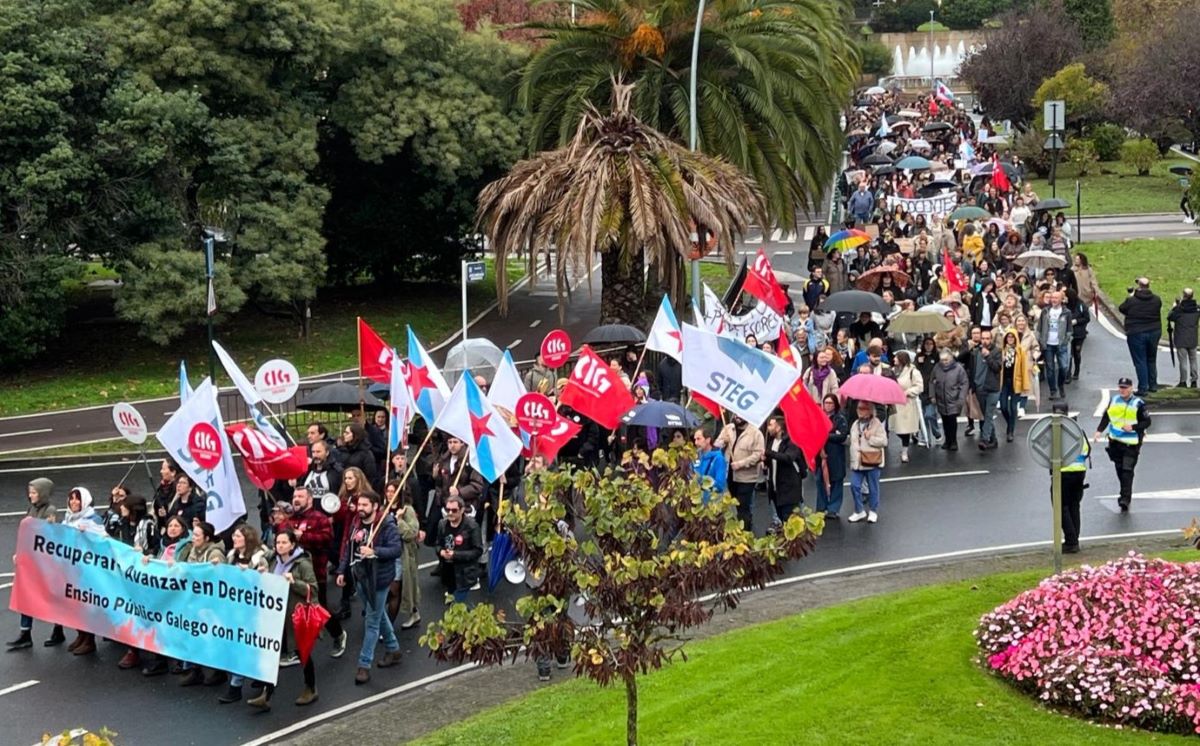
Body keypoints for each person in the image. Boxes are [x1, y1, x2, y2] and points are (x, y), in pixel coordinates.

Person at [247, 528, 320, 710]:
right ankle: (267, 694)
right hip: (276, 614)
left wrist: (294, 582)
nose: (280, 546)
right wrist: (259, 572)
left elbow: (313, 589)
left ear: (292, 544)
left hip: (295, 615)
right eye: (278, 542)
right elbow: (258, 570)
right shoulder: (272, 559)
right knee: (271, 651)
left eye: (284, 543)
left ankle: (310, 688)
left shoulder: (302, 564)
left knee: (302, 652)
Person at [336, 491, 404, 685]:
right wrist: (342, 570)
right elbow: (349, 548)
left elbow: (396, 549)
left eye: (365, 505)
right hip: (360, 576)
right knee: (378, 614)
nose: (361, 508)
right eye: (360, 505)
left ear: (375, 506)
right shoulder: (356, 522)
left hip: (378, 581)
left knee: (372, 621)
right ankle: (393, 649)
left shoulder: (386, 525)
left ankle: (364, 665)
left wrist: (375, 551)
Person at [281, 485, 347, 660]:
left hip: (315, 574)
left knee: (319, 608)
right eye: (294, 497)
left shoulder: (319, 518)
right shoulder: (289, 521)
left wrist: (303, 537)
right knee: (293, 611)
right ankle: (295, 650)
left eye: (300, 497)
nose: (296, 500)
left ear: (310, 499)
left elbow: (327, 539)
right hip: (292, 575)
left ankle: (338, 634)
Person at [8, 479, 60, 651]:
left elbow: (47, 536)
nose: (30, 495)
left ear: (43, 493)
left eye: (34, 492)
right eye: (30, 492)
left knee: (50, 596)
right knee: (26, 595)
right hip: (30, 560)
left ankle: (58, 628)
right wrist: (20, 552)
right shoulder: (31, 509)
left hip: (45, 563)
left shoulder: (50, 511)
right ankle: (25, 633)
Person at [178, 521, 228, 688]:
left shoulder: (215, 554)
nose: (193, 538)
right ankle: (195, 669)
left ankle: (219, 671)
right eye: (193, 534)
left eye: (197, 535)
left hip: (211, 603)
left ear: (207, 538)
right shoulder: (194, 550)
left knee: (213, 637)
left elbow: (220, 578)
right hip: (196, 599)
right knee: (194, 634)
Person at [57, 487, 104, 654]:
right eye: (71, 498)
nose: (74, 502)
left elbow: (102, 540)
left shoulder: (93, 519)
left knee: (86, 605)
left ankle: (89, 640)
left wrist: (87, 534)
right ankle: (81, 634)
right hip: (71, 569)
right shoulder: (68, 519)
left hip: (86, 571)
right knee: (74, 605)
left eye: (77, 498)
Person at [1094, 377, 1151, 513]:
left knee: (1127, 470)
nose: (1122, 390)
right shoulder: (1114, 400)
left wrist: (1133, 427)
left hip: (1131, 444)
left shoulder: (1138, 404)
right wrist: (1099, 431)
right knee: (1120, 469)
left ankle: (1125, 498)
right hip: (1115, 441)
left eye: (1125, 388)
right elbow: (1107, 416)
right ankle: (1124, 492)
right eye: (1120, 387)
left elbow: (1147, 422)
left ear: (1131, 388)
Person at [382, 476, 423, 630]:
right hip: (385, 554)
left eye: (393, 491)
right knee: (388, 588)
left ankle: (388, 628)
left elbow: (412, 533)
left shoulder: (407, 510)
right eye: (388, 491)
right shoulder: (383, 509)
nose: (390, 494)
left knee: (395, 589)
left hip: (400, 555)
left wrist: (399, 520)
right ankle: (414, 613)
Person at [1050, 401, 1089, 554]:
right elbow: (1086, 450)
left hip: (1063, 472)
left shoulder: (1056, 430)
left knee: (1060, 507)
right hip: (1080, 472)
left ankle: (1071, 542)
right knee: (1074, 506)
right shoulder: (1077, 429)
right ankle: (1074, 540)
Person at [717, 415, 764, 532]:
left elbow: (758, 455)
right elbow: (716, 444)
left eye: (740, 416)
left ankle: (745, 533)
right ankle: (735, 530)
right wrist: (723, 441)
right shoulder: (728, 428)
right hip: (730, 476)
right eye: (735, 415)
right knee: (733, 506)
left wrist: (741, 464)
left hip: (746, 478)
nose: (737, 417)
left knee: (743, 507)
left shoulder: (756, 433)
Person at [434, 494, 484, 604]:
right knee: (454, 604)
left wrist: (455, 555)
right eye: (447, 509)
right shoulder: (442, 524)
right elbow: (438, 544)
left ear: (461, 510)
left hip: (464, 574)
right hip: (448, 573)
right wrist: (441, 552)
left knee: (457, 605)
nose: (450, 513)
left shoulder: (472, 526)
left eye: (454, 510)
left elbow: (478, 551)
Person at [1119, 278, 1163, 395]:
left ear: (1139, 286)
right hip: (1154, 331)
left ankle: (1143, 387)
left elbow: (1122, 308)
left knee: (1140, 360)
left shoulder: (1132, 301)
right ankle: (1153, 385)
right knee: (1151, 359)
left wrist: (1131, 296)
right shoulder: (1157, 299)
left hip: (1136, 332)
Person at [763, 416, 806, 530]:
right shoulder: (771, 442)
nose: (768, 428)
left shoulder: (792, 441)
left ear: (778, 427)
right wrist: (765, 461)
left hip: (789, 488)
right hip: (776, 489)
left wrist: (769, 453)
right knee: (782, 519)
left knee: (790, 521)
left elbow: (788, 458)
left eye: (771, 425)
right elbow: (771, 460)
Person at [848, 400, 887, 523]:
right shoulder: (855, 424)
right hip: (858, 462)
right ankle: (859, 510)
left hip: (872, 461)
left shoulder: (876, 423)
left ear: (870, 411)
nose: (860, 411)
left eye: (863, 408)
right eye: (859, 408)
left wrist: (870, 437)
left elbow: (884, 441)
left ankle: (873, 511)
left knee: (873, 488)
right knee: (854, 485)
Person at [814, 394, 849, 519]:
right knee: (820, 480)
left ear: (835, 405)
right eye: (826, 403)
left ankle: (833, 509)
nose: (828, 405)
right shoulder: (819, 417)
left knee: (836, 480)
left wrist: (826, 435)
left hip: (835, 455)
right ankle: (821, 507)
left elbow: (842, 436)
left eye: (830, 403)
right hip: (820, 454)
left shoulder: (840, 419)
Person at [968, 329, 1002, 450]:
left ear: (991, 339)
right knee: (986, 415)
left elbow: (997, 368)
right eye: (983, 338)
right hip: (980, 388)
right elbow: (971, 368)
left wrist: (988, 356)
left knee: (988, 414)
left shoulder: (996, 351)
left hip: (992, 388)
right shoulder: (975, 351)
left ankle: (985, 439)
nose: (985, 341)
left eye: (987, 338)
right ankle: (993, 439)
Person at [1036, 290, 1073, 399]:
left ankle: (1060, 385)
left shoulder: (1067, 312)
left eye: (1056, 298)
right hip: (1048, 344)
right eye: (1052, 298)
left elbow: (1069, 328)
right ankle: (1053, 390)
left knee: (1064, 367)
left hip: (1061, 344)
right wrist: (1039, 340)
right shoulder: (1045, 311)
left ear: (1061, 299)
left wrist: (1066, 339)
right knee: (1050, 369)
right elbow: (1039, 327)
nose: (1054, 300)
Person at [889, 351, 924, 463]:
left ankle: (904, 451)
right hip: (894, 404)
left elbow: (919, 387)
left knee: (904, 430)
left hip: (906, 405)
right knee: (896, 429)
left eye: (896, 357)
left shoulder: (913, 372)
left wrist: (907, 392)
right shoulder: (892, 371)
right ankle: (909, 439)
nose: (894, 359)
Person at [997, 330, 1032, 443]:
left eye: (1012, 337)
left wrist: (1025, 385)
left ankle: (1010, 431)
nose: (1010, 339)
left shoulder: (1020, 351)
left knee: (1013, 407)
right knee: (1003, 407)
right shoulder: (1001, 351)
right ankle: (1010, 424)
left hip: (1016, 382)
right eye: (1008, 337)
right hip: (1004, 382)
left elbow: (1024, 369)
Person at [931, 351, 969, 451]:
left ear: (951, 358)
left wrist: (961, 398)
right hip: (941, 399)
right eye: (942, 360)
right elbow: (931, 381)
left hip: (954, 399)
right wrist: (932, 395)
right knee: (945, 421)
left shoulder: (958, 368)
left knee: (952, 421)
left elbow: (964, 383)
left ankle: (953, 441)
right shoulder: (937, 367)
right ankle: (947, 440)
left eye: (946, 360)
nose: (944, 362)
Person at [1168, 288, 1199, 388]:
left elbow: (1170, 317)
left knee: (1183, 361)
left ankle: (1183, 381)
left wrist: (1174, 307)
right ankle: (1194, 381)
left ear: (1184, 296)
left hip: (1181, 338)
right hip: (1193, 338)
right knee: (1193, 360)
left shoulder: (1179, 310)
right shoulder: (1196, 308)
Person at [339, 423, 380, 491]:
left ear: (355, 435)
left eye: (347, 433)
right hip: (345, 488)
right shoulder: (343, 451)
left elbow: (370, 475)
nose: (344, 435)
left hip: (361, 489)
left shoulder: (366, 453)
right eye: (344, 432)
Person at [692, 428, 728, 504]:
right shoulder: (695, 456)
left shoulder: (719, 459)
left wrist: (702, 481)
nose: (696, 442)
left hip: (711, 504)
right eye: (695, 439)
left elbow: (720, 486)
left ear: (708, 440)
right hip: (696, 501)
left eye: (698, 439)